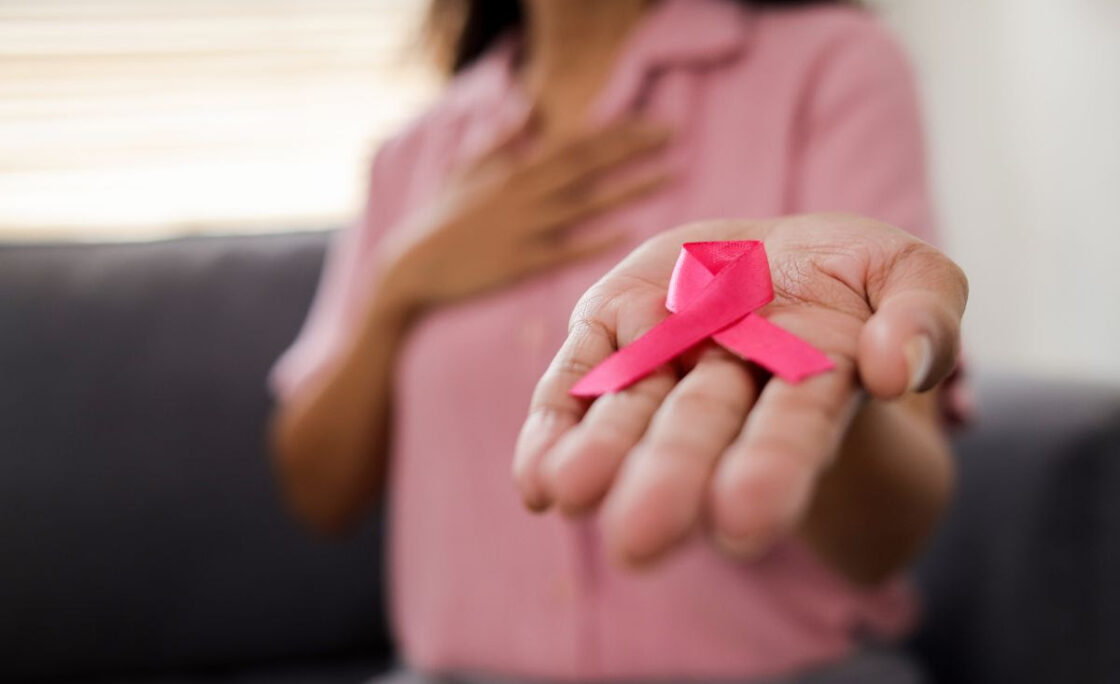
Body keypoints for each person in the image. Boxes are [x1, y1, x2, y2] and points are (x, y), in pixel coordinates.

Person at [269, 0, 966, 681]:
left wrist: (828, 393)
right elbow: (317, 494)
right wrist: (401, 284)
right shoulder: (413, 153)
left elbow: (890, 537)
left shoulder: (832, 64)